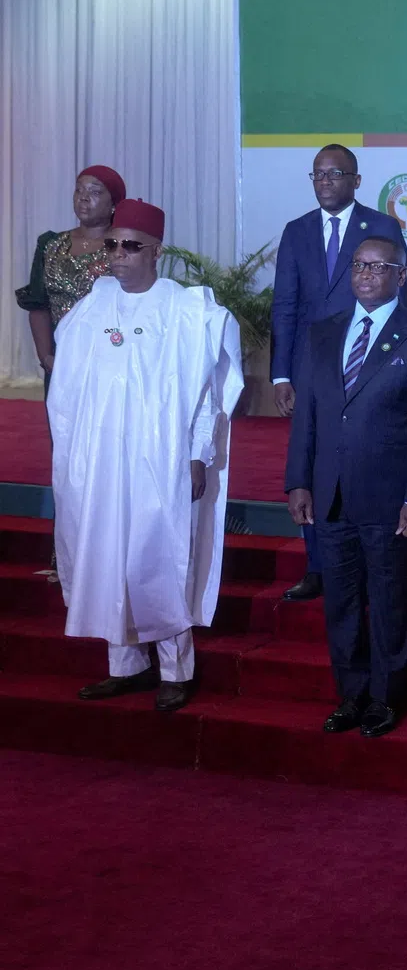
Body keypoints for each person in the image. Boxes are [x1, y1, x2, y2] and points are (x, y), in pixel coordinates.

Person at [49, 199, 243, 712]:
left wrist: (200, 453)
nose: (117, 255)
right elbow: (67, 387)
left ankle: (176, 670)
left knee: (158, 555)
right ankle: (125, 667)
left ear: (156, 252)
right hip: (101, 457)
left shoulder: (186, 310)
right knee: (108, 551)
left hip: (161, 457)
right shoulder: (93, 304)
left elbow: (209, 391)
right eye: (111, 244)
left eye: (130, 246)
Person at [285, 237, 407, 738]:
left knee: (389, 602)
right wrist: (298, 480)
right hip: (329, 496)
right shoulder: (322, 334)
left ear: (403, 276)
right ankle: (351, 695)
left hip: (390, 500)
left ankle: (385, 698)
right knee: (340, 603)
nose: (365, 273)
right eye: (359, 265)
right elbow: (308, 418)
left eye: (379, 267)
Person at [271, 144, 407, 602]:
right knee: (313, 462)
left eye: (334, 174)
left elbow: (397, 305)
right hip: (312, 369)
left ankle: (370, 560)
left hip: (366, 367)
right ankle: (318, 567)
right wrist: (280, 375)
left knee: (364, 456)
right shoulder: (296, 232)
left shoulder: (382, 228)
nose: (325, 182)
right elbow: (285, 305)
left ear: (356, 180)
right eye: (318, 175)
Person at [16, 165, 125, 392]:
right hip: (59, 361)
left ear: (114, 204)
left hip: (110, 362)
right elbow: (38, 304)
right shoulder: (51, 244)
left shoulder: (124, 247)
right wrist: (47, 357)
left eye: (95, 192)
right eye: (79, 190)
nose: (84, 198)